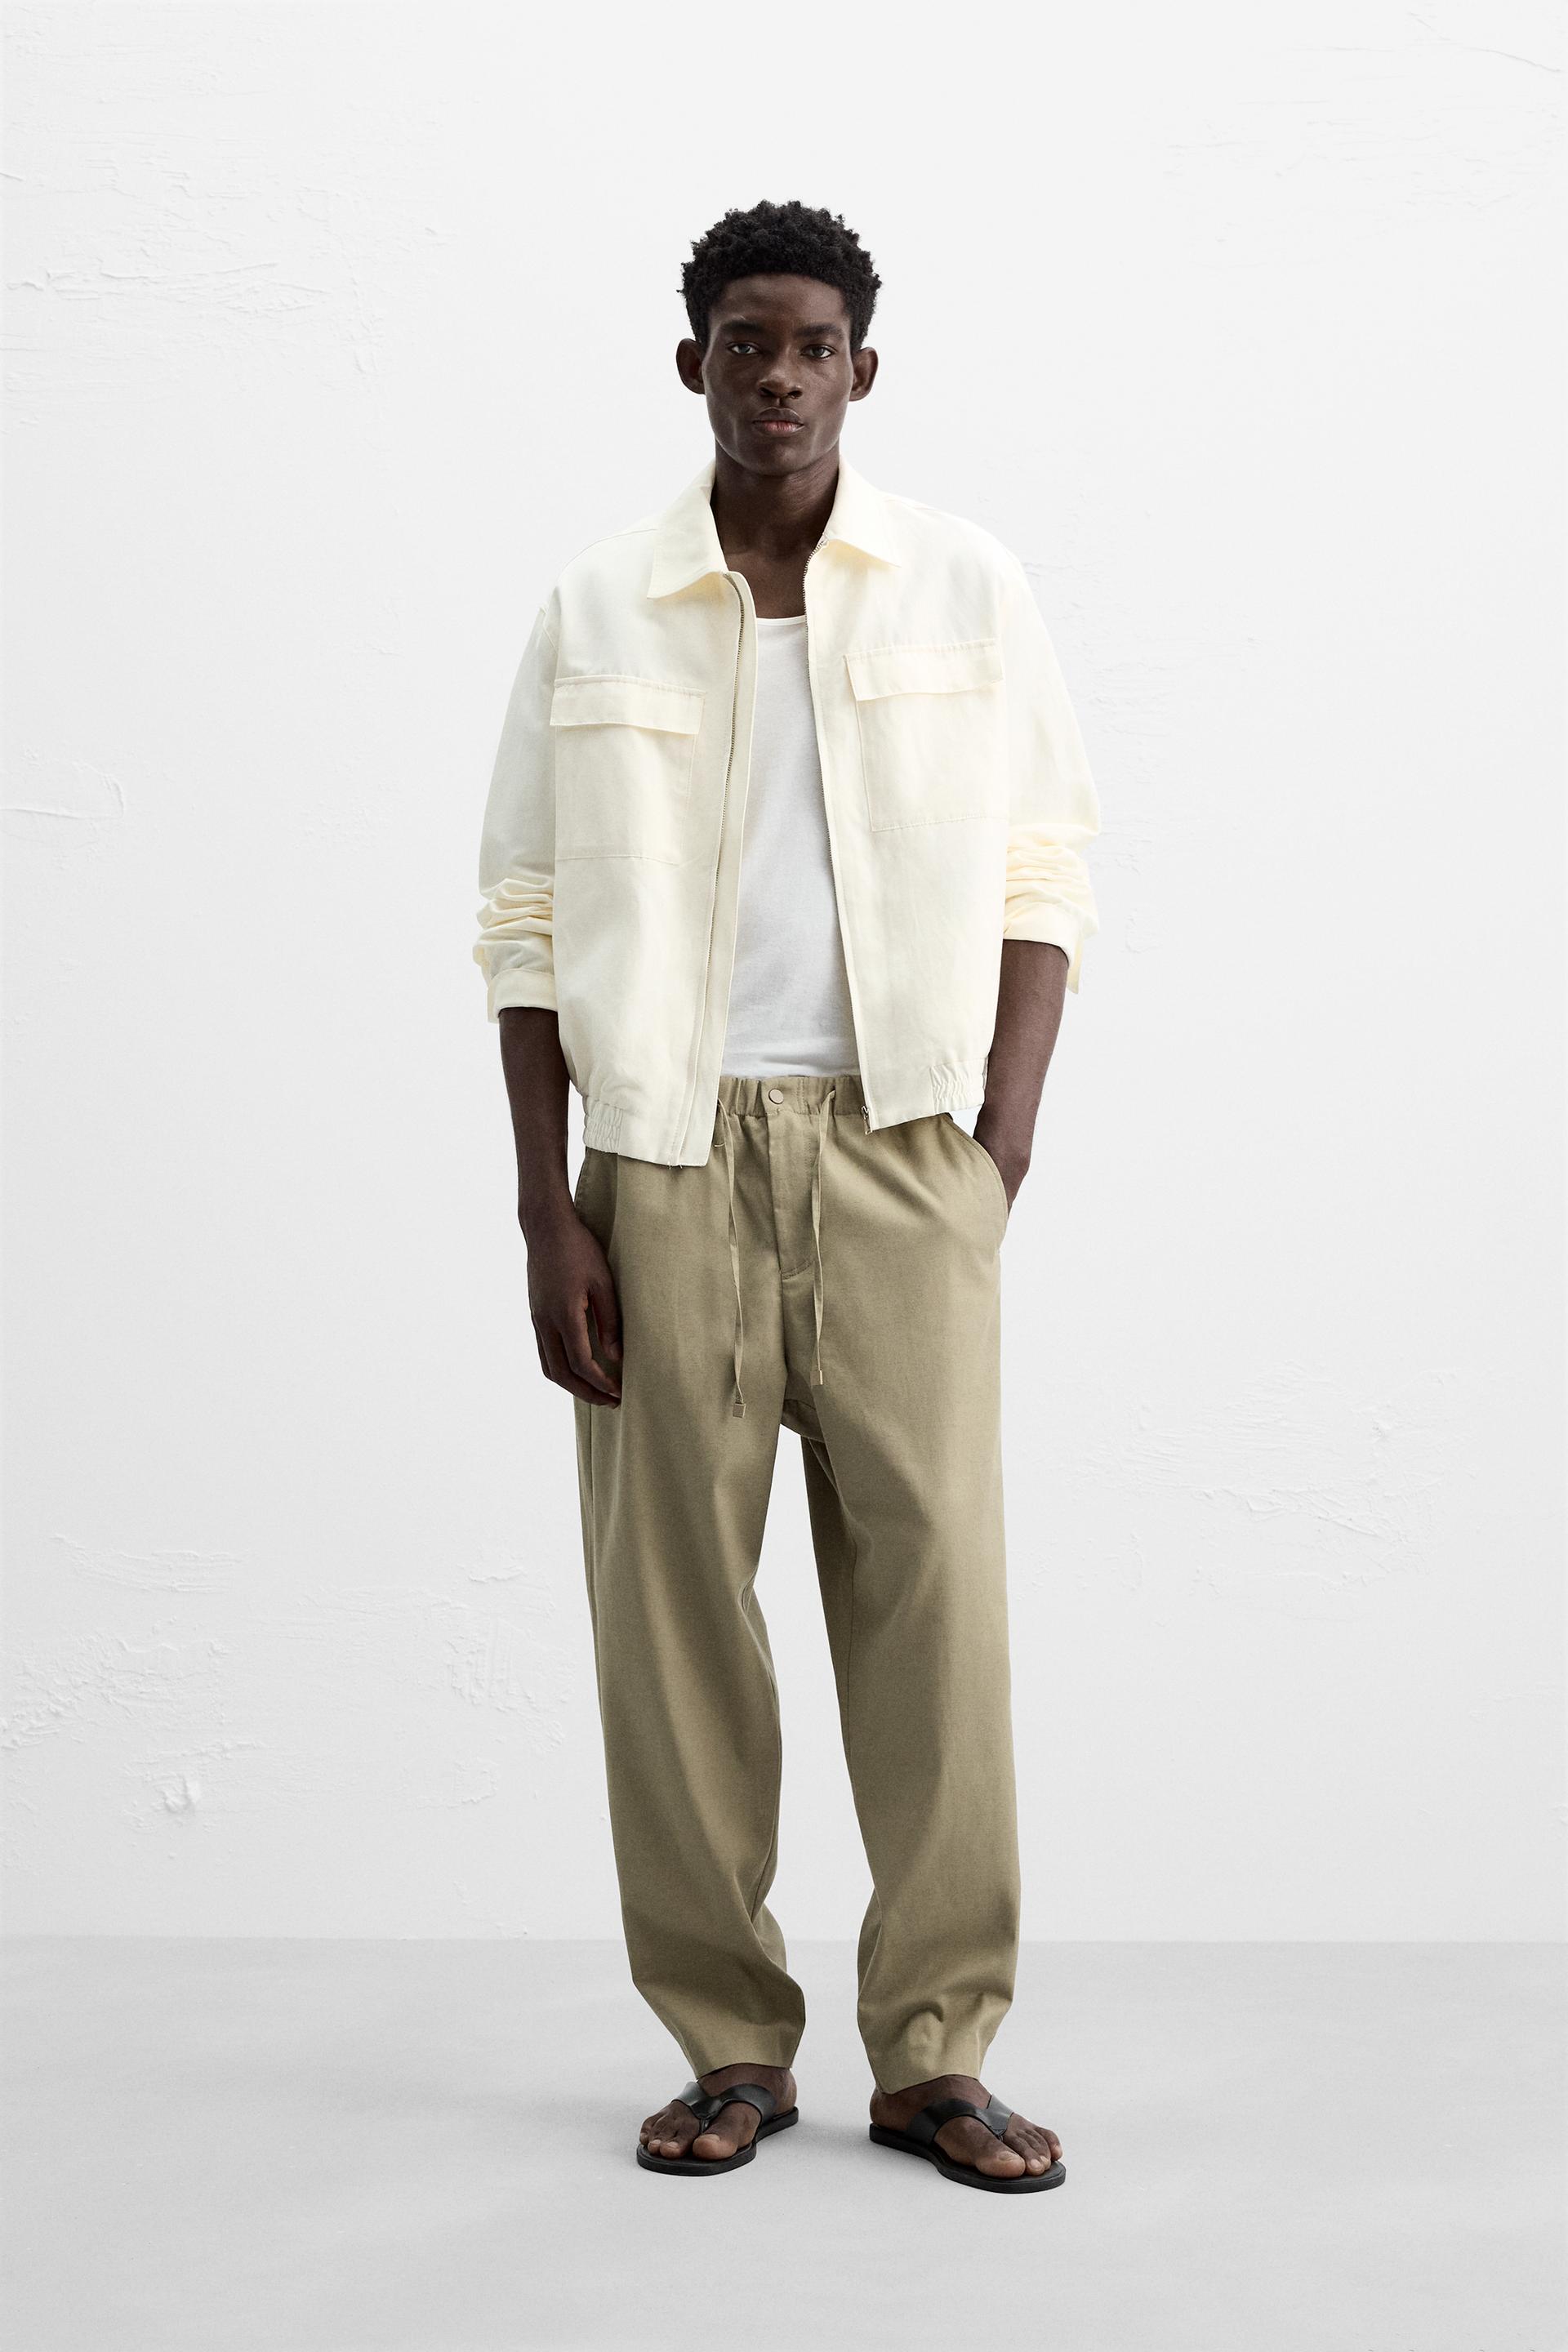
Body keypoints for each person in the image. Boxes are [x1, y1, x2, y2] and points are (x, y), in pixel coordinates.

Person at [474, 198, 1098, 2194]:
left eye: (814, 343)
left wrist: (997, 1149)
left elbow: (1042, 874)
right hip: (663, 1163)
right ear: (695, 365)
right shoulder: (598, 607)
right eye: (745, 341)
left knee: (938, 1612)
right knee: (670, 1626)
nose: (780, 376)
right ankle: (728, 2045)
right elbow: (523, 919)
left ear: (863, 370)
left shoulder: (965, 590)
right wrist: (548, 1208)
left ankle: (938, 2052)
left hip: (904, 1149)